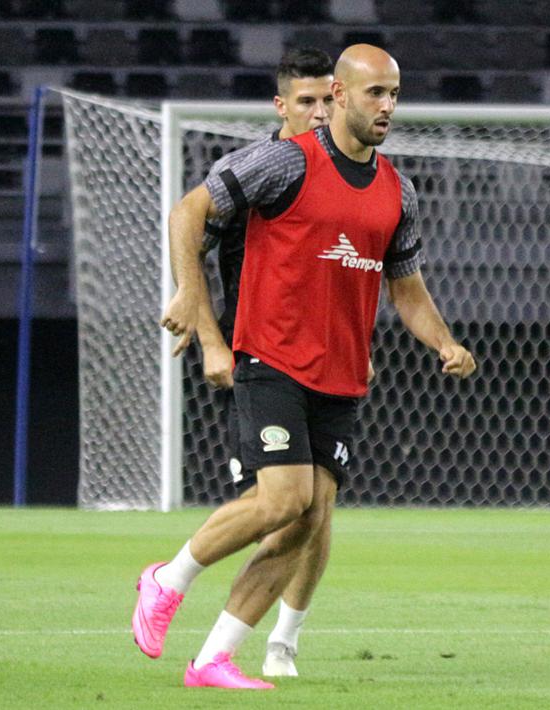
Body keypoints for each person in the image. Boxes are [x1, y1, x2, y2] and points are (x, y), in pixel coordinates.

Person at [136, 44, 477, 690]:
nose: (387, 106)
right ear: (340, 97)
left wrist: (444, 343)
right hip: (271, 358)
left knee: (309, 521)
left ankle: (213, 658)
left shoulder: (397, 191)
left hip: (341, 376)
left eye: (394, 94)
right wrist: (189, 296)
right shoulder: (285, 161)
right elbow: (188, 210)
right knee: (284, 499)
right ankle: (167, 578)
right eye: (375, 93)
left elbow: (406, 288)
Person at [191, 47, 340, 679]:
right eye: (306, 101)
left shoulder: (347, 171)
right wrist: (203, 330)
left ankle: (284, 640)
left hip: (327, 360)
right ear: (281, 106)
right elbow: (190, 242)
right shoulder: (254, 172)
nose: (319, 112)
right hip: (257, 355)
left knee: (318, 506)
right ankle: (180, 593)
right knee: (282, 504)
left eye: (328, 100)